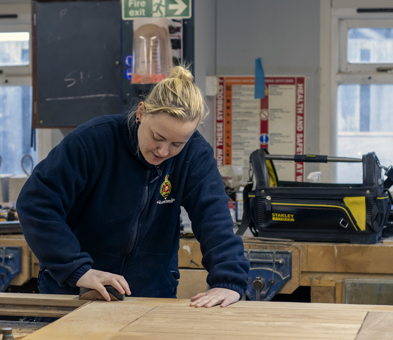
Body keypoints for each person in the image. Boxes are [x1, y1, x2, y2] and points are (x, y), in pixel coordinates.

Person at [16, 66, 249, 308]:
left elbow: (214, 217)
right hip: (75, 292)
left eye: (177, 144)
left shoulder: (194, 154)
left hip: (150, 296)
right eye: (157, 137)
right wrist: (77, 269)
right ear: (141, 112)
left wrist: (229, 281)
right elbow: (37, 203)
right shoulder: (92, 142)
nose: (163, 151)